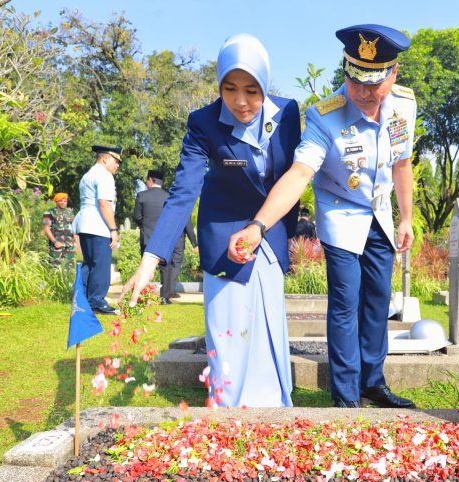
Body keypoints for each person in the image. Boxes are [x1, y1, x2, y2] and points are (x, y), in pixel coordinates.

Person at [228, 24, 417, 409]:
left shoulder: (404, 106)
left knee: (379, 301)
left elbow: (402, 164)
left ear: (394, 74)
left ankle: (372, 382)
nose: (364, 92)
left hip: (378, 214)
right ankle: (346, 397)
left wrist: (406, 218)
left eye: (374, 83)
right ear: (345, 72)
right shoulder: (324, 117)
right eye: (355, 81)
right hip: (341, 216)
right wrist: (258, 224)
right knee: (346, 304)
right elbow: (299, 174)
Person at [121, 34, 300, 407]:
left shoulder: (288, 114)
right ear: (218, 85)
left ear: (265, 84)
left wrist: (277, 231)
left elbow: (295, 177)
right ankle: (228, 409)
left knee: (268, 325)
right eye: (230, 88)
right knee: (230, 329)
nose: (240, 101)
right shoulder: (203, 122)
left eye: (252, 90)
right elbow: (184, 192)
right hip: (223, 238)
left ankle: (272, 410)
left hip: (269, 235)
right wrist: (150, 259)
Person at [133, 170, 197, 304]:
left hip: (148, 236)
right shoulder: (169, 196)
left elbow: (137, 217)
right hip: (165, 236)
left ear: (150, 180)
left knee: (146, 267)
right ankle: (164, 297)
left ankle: (142, 295)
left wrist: (145, 226)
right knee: (165, 268)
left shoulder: (141, 196)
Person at [72, 144, 122, 315]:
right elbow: (104, 203)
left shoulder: (88, 175)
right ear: (106, 158)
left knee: (89, 264)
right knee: (100, 265)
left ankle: (83, 300)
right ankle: (97, 302)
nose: (117, 166)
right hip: (98, 226)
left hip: (85, 224)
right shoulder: (104, 175)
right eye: (116, 161)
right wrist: (113, 229)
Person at [42, 192, 77, 269]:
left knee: (69, 269)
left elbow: (74, 228)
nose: (63, 203)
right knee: (55, 269)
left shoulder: (70, 212)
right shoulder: (48, 213)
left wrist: (76, 242)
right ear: (56, 201)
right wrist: (54, 242)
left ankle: (68, 281)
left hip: (69, 246)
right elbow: (46, 228)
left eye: (65, 201)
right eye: (61, 201)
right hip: (57, 245)